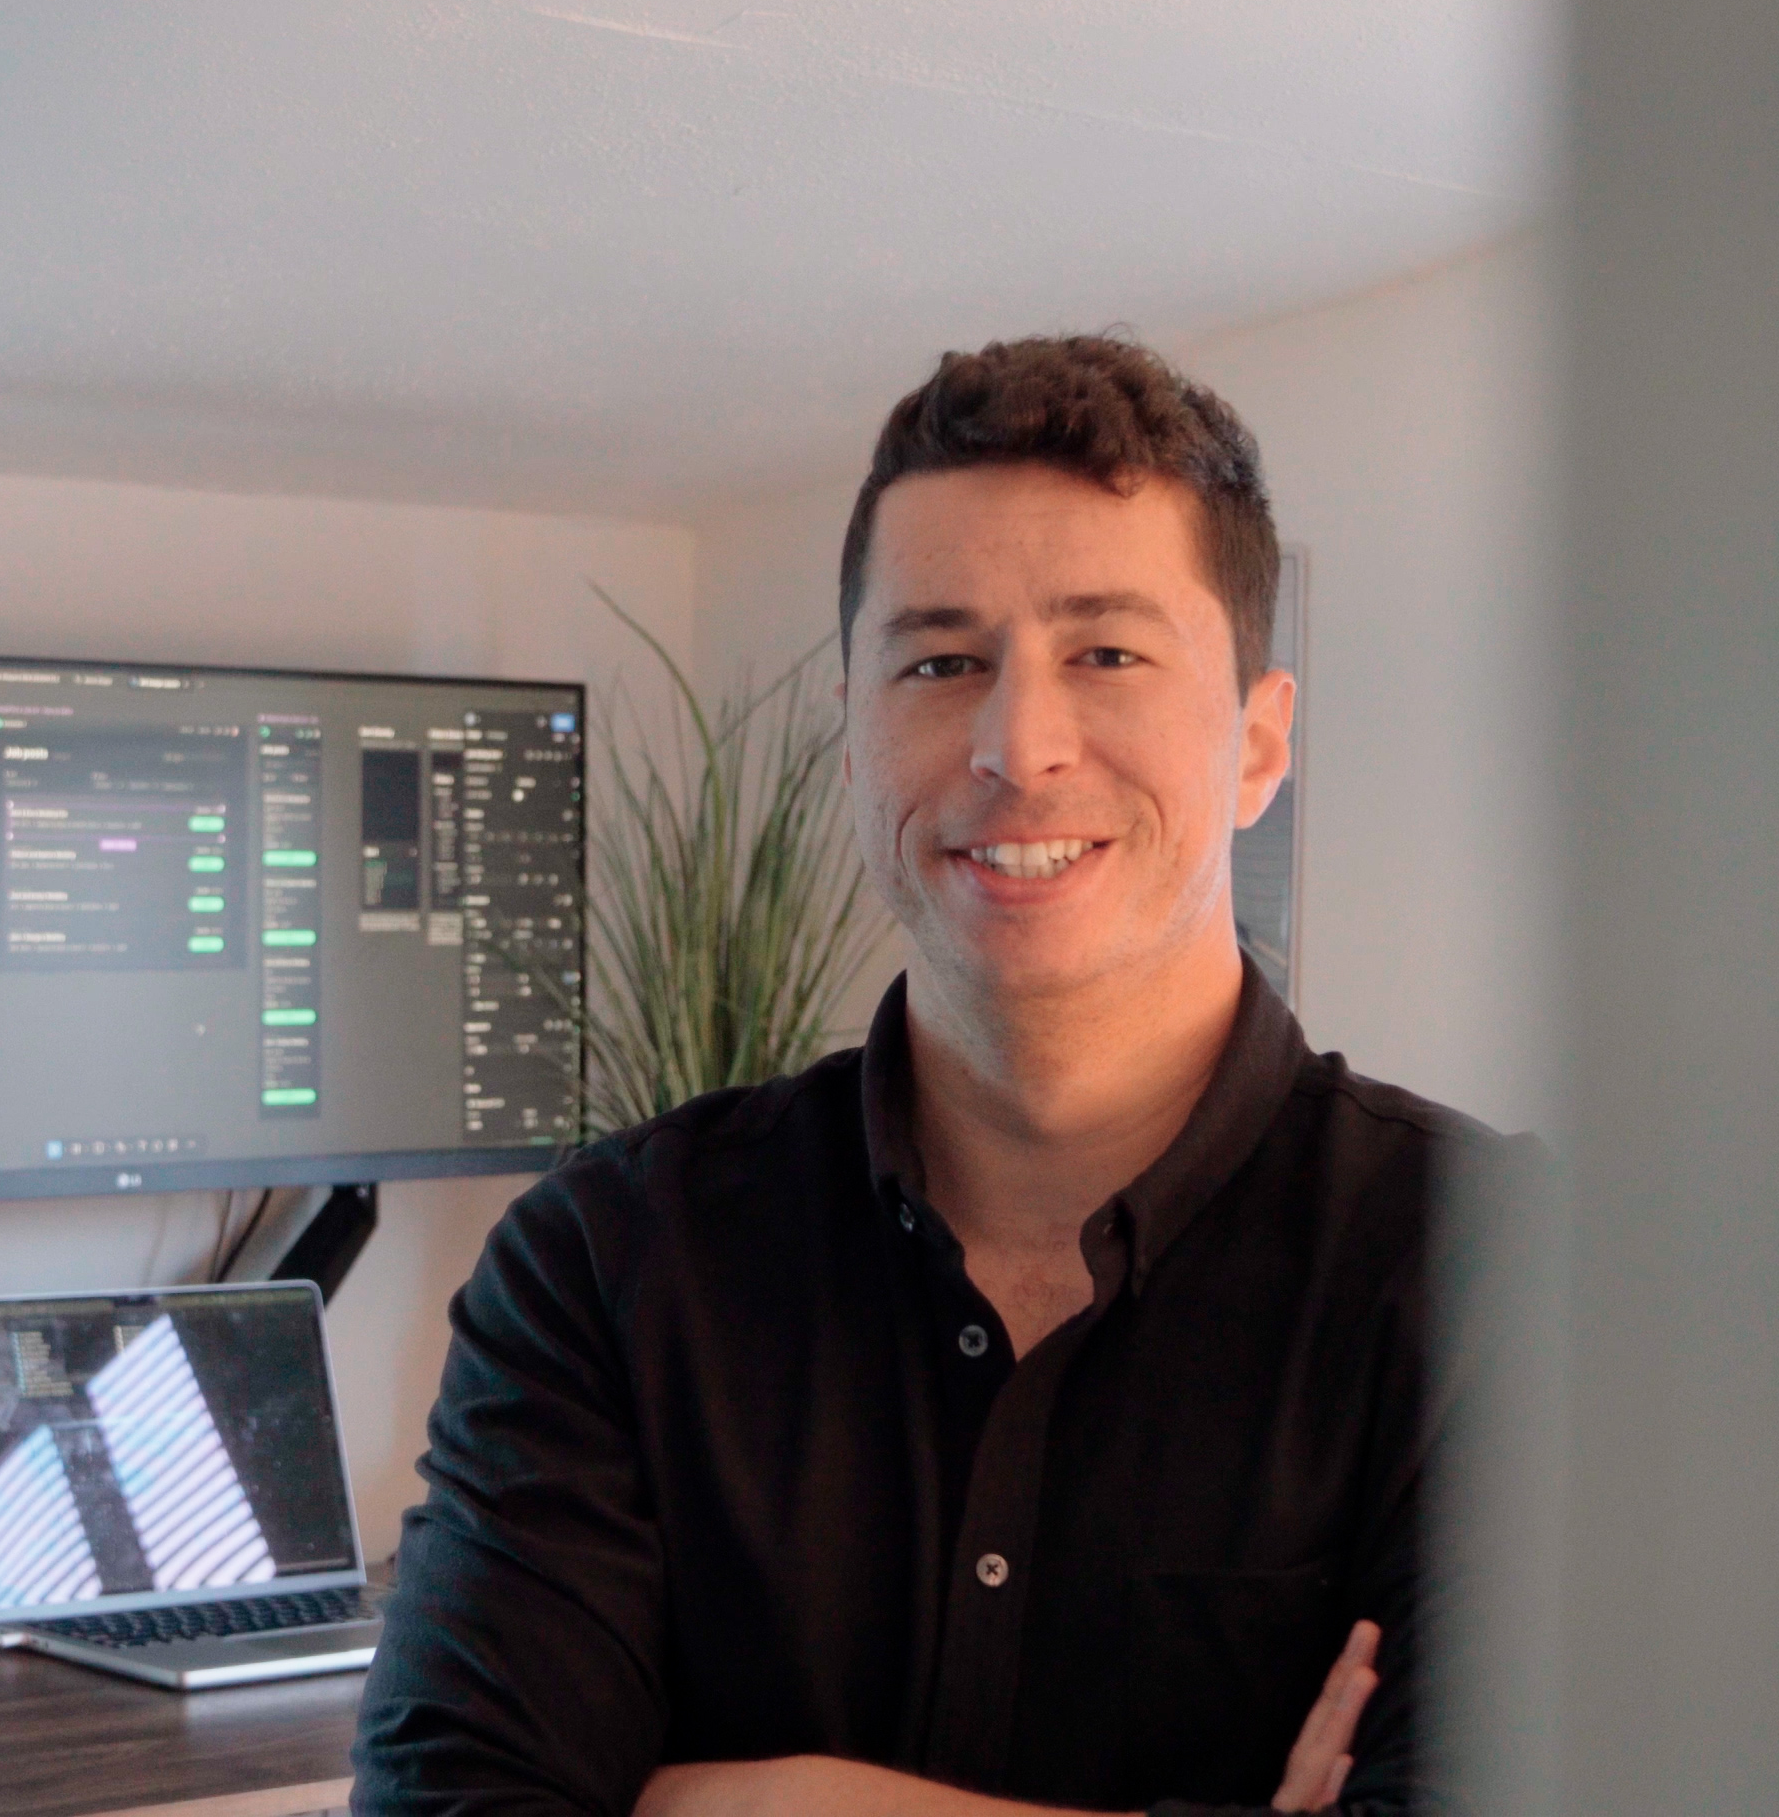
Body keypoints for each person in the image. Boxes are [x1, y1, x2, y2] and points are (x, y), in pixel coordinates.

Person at [351, 335, 1517, 1816]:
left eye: (1107, 654)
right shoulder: (610, 1267)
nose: (1017, 746)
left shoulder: (1501, 1271)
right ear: (853, 738)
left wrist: (756, 1804)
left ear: (1258, 741)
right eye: (941, 662)